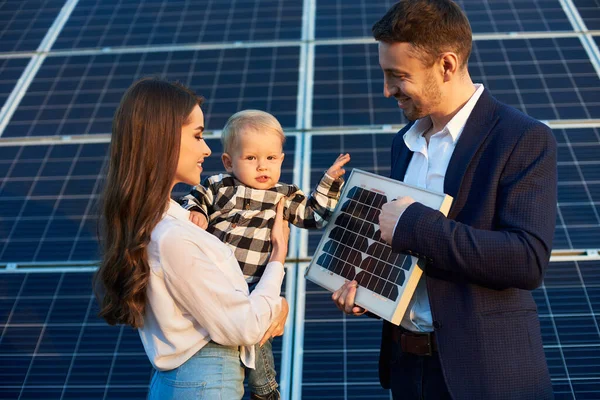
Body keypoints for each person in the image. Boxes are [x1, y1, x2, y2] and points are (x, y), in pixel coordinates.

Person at [331, 1, 557, 399]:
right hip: (409, 370)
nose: (387, 91)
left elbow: (526, 259)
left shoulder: (521, 138)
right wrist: (369, 286)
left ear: (447, 65)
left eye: (398, 76)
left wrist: (415, 224)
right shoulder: (403, 143)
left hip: (487, 377)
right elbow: (408, 252)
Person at [93, 77, 290, 400]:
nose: (207, 149)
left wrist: (273, 304)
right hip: (205, 384)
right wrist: (277, 260)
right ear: (163, 140)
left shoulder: (168, 222)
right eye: (197, 136)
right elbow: (244, 326)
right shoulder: (172, 236)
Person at [180, 109, 350, 400]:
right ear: (228, 162)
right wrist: (195, 211)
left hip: (256, 288)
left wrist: (330, 182)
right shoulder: (219, 186)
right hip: (215, 283)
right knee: (217, 333)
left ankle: (264, 390)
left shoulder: (285, 194)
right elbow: (194, 197)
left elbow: (315, 216)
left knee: (259, 337)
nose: (263, 167)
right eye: (251, 158)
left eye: (271, 158)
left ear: (282, 159)